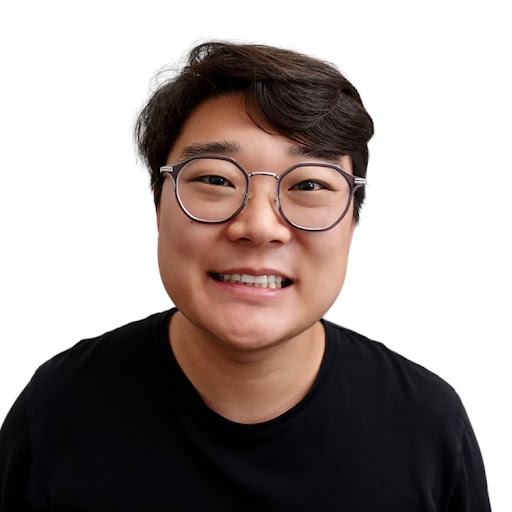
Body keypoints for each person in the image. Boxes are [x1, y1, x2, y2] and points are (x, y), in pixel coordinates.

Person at [0, 41, 491, 511]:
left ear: (352, 221)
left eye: (310, 185)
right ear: (158, 205)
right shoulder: (58, 410)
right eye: (216, 179)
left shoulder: (426, 426)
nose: (259, 227)